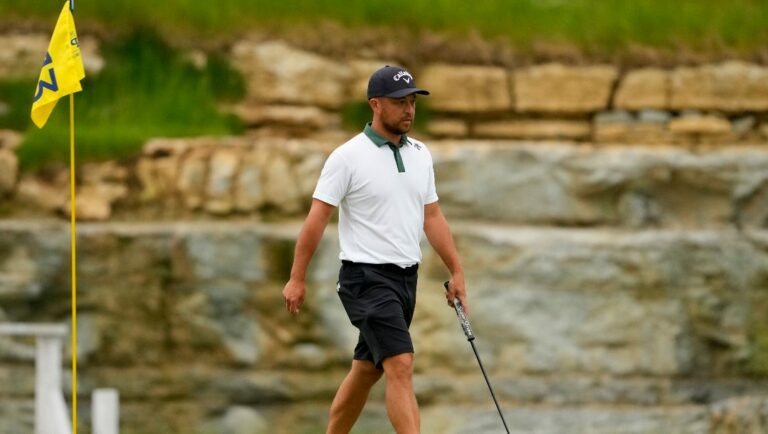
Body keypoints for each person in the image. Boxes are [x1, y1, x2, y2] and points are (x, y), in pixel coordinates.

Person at [282, 65, 469, 434]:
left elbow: (432, 216)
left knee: (367, 369)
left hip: (405, 280)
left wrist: (457, 271)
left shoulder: (420, 154)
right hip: (365, 278)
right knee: (400, 363)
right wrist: (296, 278)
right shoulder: (347, 157)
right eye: (400, 102)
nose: (409, 110)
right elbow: (317, 219)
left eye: (412, 101)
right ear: (375, 104)